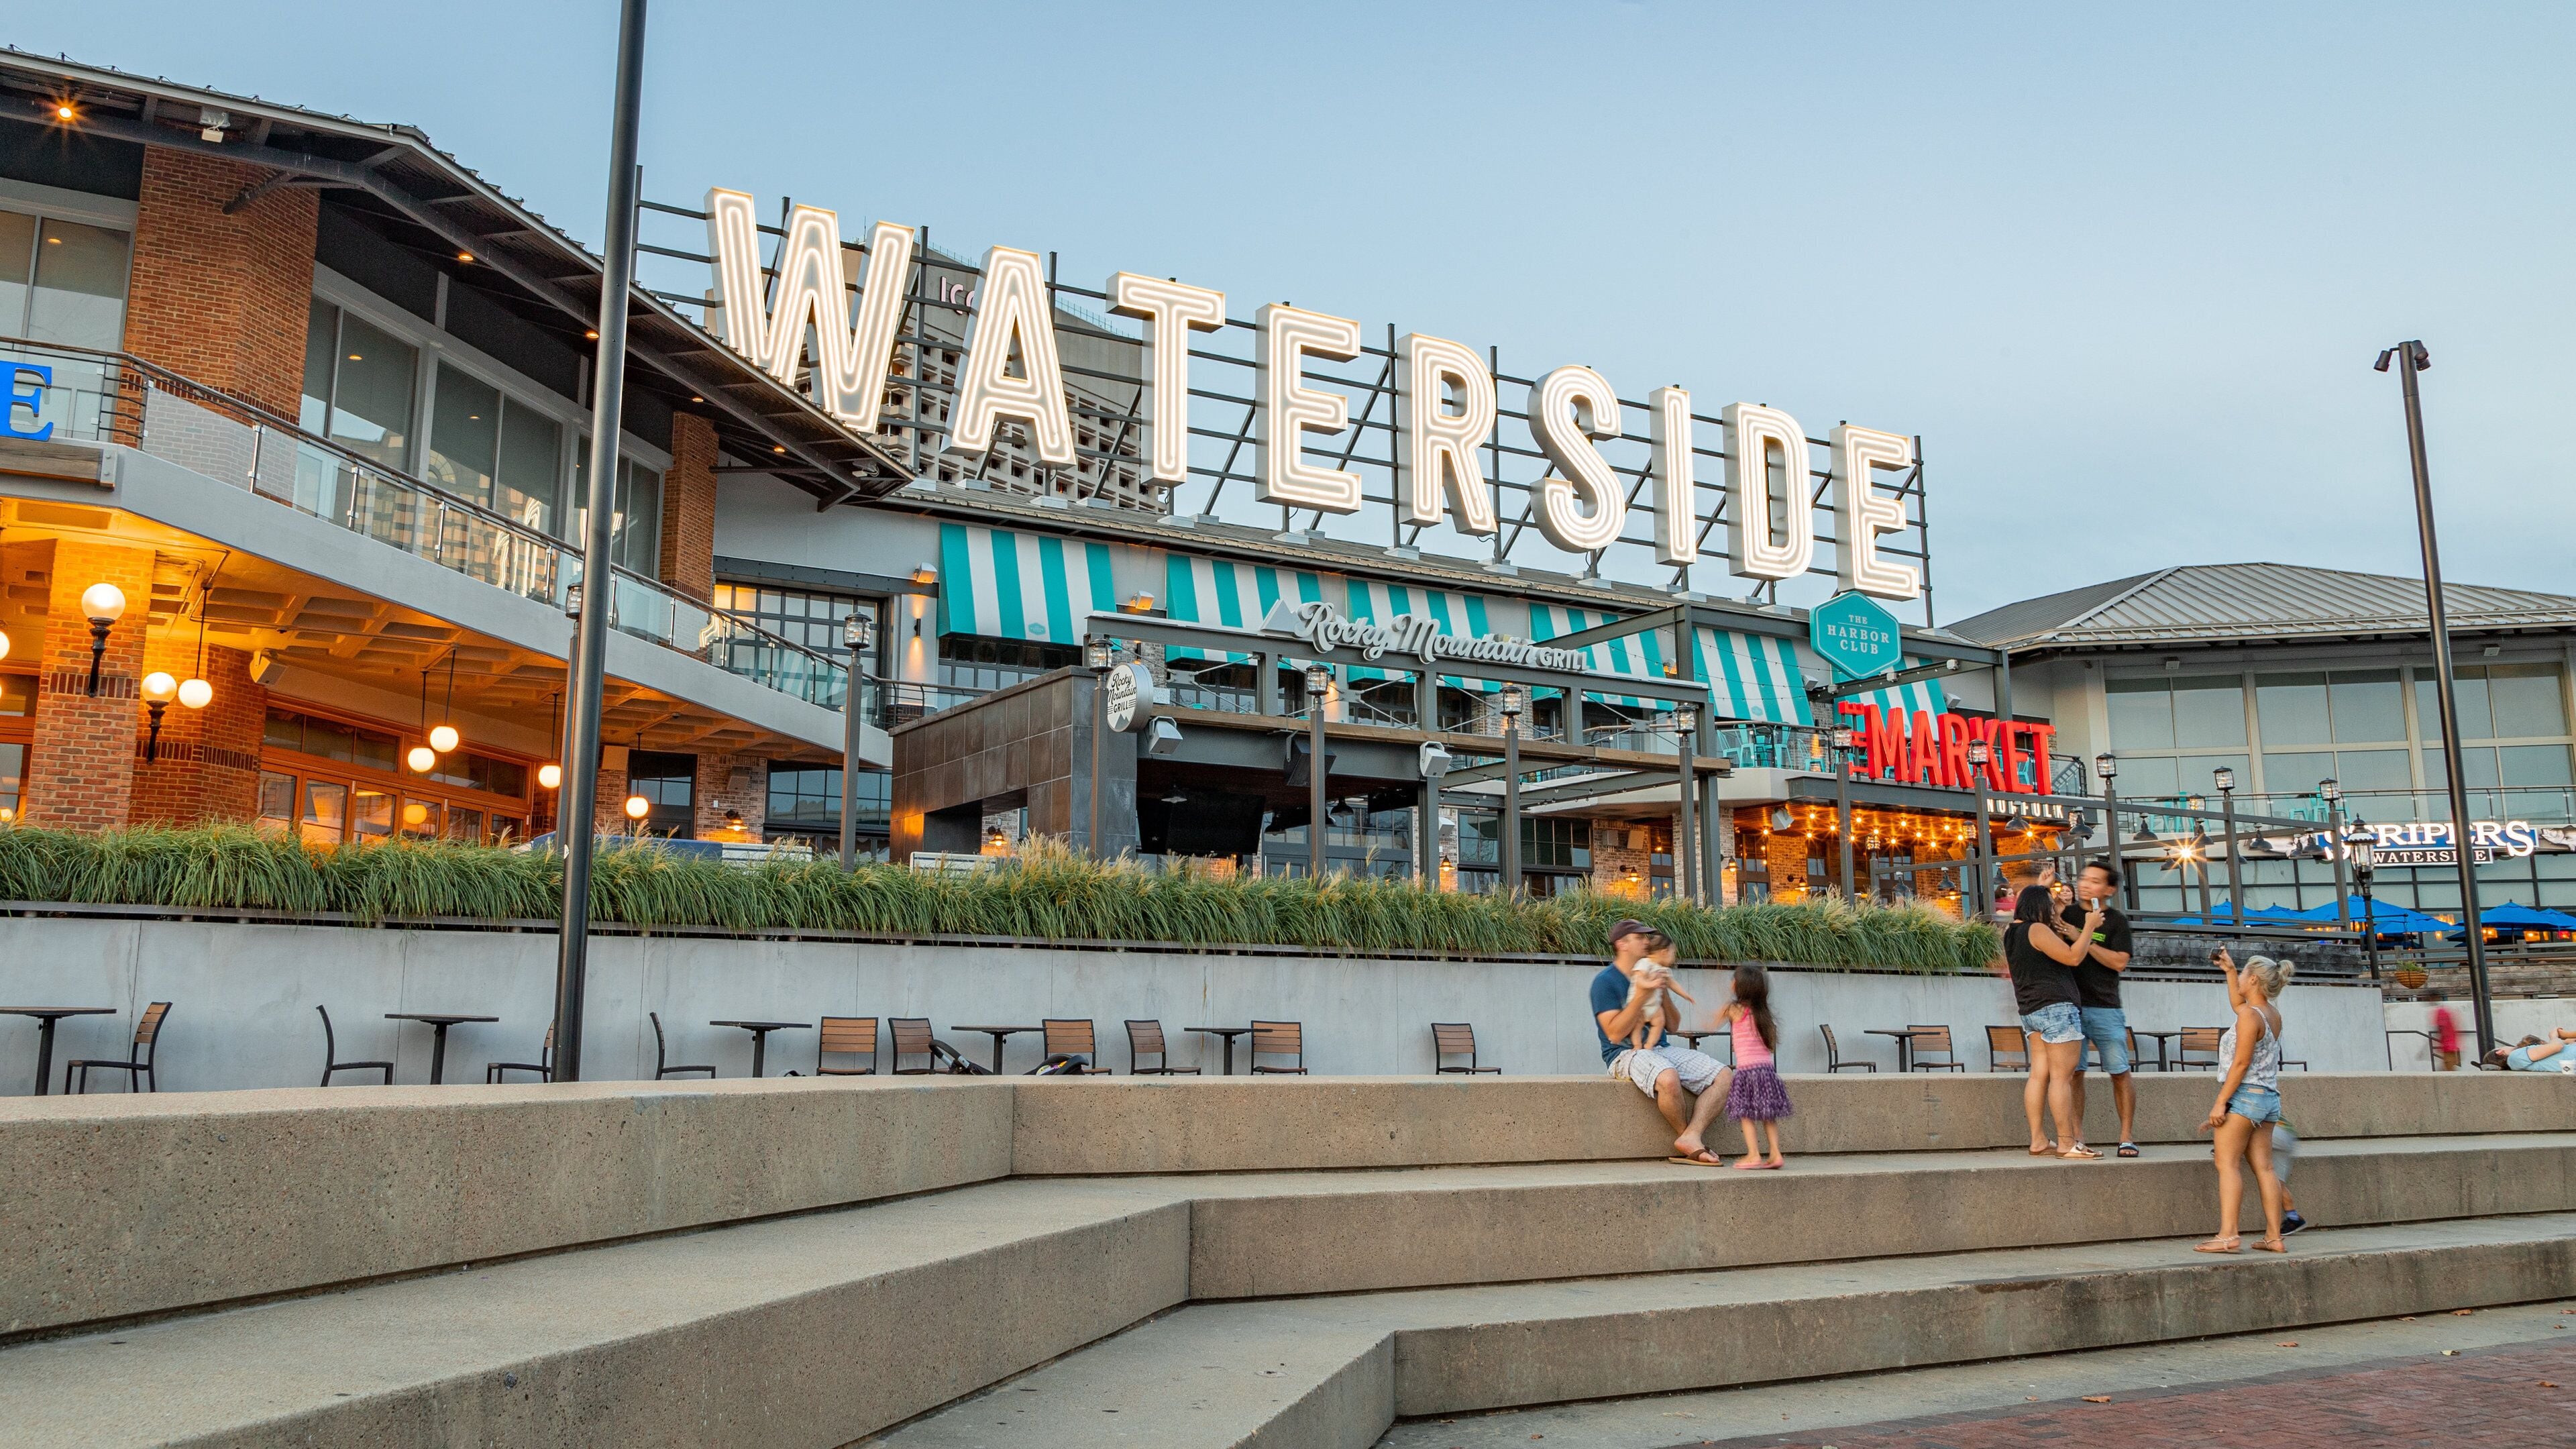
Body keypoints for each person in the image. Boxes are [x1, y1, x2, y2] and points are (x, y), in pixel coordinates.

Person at [1591, 920, 1732, 1165]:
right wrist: (1643, 994)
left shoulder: (1655, 970)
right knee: (1667, 1077)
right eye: (1640, 937)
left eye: (1648, 937)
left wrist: (1663, 991)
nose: (1647, 942)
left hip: (1660, 1048)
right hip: (1624, 1054)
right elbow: (1614, 1034)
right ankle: (1686, 1138)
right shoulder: (1605, 982)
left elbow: (1673, 1026)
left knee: (1724, 1075)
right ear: (1622, 944)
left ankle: (1692, 1135)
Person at [2196, 948, 2293, 1254]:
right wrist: (2228, 970)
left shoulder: (2251, 1017)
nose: (2238, 978)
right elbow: (2241, 1004)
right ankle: (2274, 1237)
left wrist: (2220, 1103)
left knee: (2226, 1164)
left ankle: (2227, 1235)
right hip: (2268, 1099)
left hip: (2245, 1097)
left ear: (2252, 979)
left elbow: (2240, 1064)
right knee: (2265, 1168)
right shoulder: (2270, 1014)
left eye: (2241, 974)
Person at [1994, 881, 2099, 1160]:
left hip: (2031, 1012)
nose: (2054, 911)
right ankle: (2066, 1143)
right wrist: (2089, 927)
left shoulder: (2012, 933)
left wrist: (2061, 909)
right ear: (2040, 908)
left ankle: (2038, 1139)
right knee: (2061, 1079)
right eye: (2051, 907)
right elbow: (2074, 957)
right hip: (2057, 1009)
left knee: (2038, 1076)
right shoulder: (2036, 929)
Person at [2062, 861, 2139, 1157]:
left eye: (2094, 881)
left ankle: (2126, 1137)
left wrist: (2082, 937)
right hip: (2070, 1006)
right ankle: (2078, 1137)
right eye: (2083, 878)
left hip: (2106, 1006)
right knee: (2074, 1074)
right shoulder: (2066, 915)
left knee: (2119, 1071)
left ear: (2109, 889)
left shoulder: (2116, 920)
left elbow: (2120, 962)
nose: (2085, 884)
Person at [1717, 964, 1791, 1169]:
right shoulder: (1764, 1014)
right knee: (1768, 1115)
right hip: (1767, 1071)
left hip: (1747, 1071)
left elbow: (1711, 1022)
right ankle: (1776, 1154)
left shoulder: (1733, 1009)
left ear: (1739, 987)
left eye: (1734, 980)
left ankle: (1754, 1154)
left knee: (1747, 1114)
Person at [2486, 1028, 2576, 1072]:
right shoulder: (2514, 1057)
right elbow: (2557, 1046)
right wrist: (2554, 1036)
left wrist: (2565, 1041)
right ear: (2500, 1052)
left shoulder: (2516, 1060)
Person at [2428, 990, 2461, 1071]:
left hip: (2448, 1044)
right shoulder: (2443, 1010)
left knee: (2449, 1068)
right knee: (2448, 1068)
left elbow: (2441, 1027)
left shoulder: (2441, 1011)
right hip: (2450, 1044)